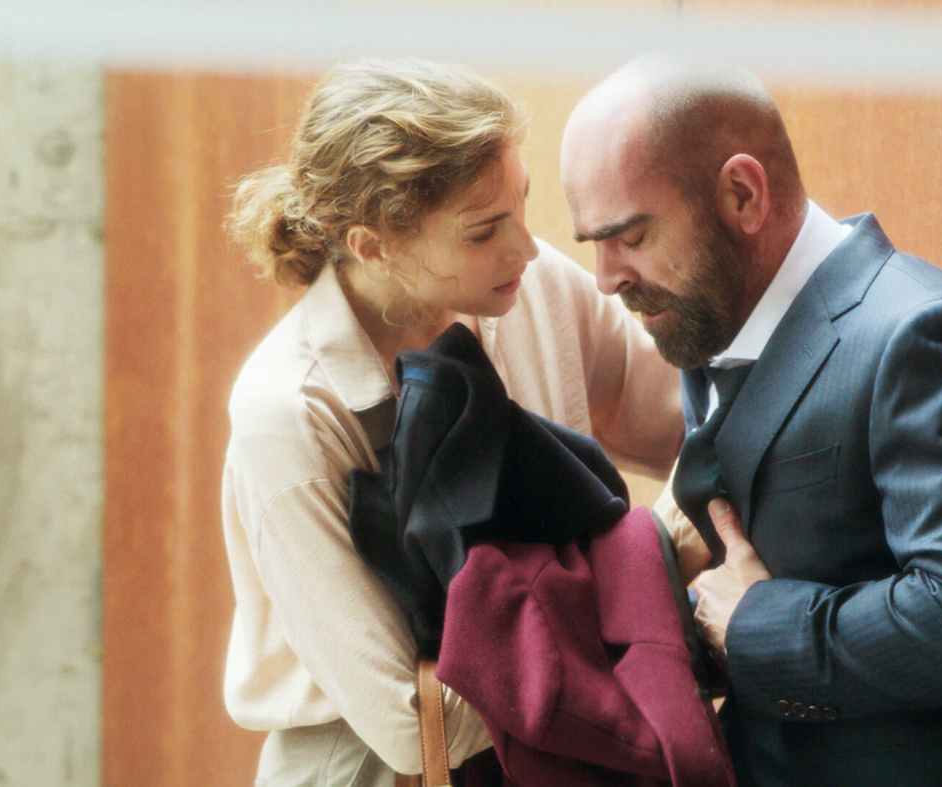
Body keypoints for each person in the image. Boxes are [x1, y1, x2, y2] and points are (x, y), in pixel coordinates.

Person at [560, 57, 942, 787]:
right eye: (595, 245)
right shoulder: (708, 324)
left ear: (742, 194)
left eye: (631, 237)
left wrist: (756, 627)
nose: (607, 279)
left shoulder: (923, 336)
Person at [221, 59, 684, 786]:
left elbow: (685, 426)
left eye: (522, 205)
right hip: (375, 768)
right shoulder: (289, 414)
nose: (525, 246)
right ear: (373, 244)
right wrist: (647, 599)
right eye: (483, 231)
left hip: (561, 740)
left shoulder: (534, 286)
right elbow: (409, 722)